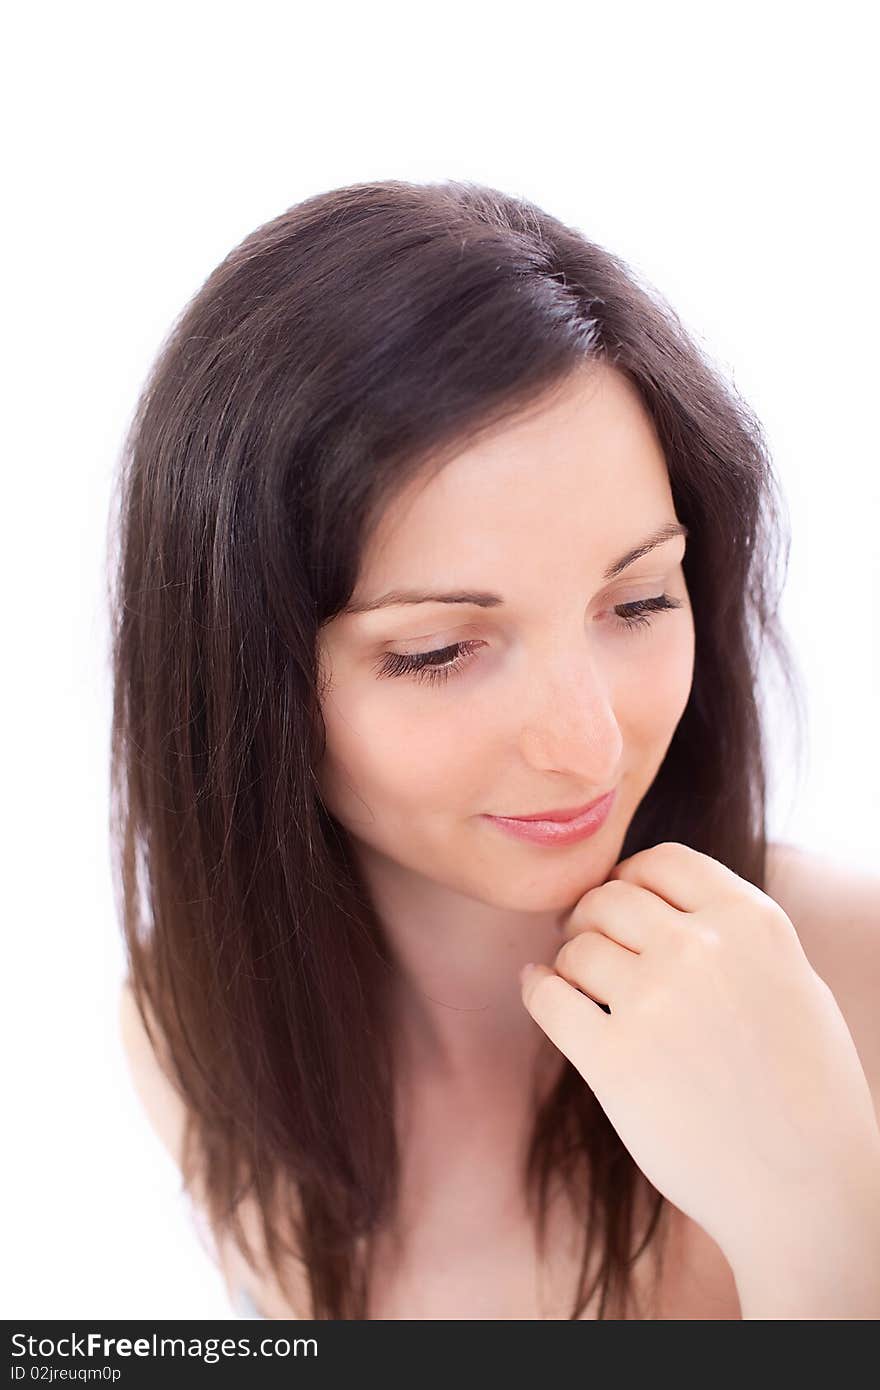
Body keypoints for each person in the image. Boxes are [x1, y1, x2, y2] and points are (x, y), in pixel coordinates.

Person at [111, 179, 880, 1321]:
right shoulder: (196, 1026)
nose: (588, 744)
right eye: (436, 651)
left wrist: (820, 1219)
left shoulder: (852, 977)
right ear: (242, 680)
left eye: (637, 602)